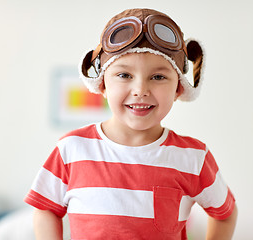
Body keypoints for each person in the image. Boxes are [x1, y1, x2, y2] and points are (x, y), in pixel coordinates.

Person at [24, 8, 237, 240]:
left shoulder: (194, 157)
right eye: (124, 75)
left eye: (158, 77)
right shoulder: (71, 148)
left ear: (178, 88)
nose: (140, 91)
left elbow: (225, 212)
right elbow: (46, 209)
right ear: (102, 85)